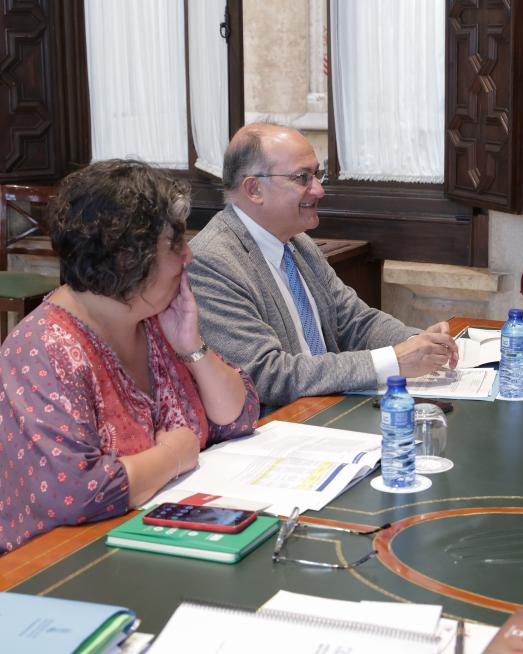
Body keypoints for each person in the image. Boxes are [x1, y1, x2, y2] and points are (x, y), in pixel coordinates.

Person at [0, 160, 259, 553]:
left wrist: (192, 346)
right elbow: (75, 494)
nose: (189, 256)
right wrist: (173, 455)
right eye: (176, 243)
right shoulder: (41, 350)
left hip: (155, 545)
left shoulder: (152, 318)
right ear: (126, 258)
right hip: (67, 563)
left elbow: (239, 415)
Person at [187, 123, 458, 407]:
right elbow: (267, 375)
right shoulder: (211, 262)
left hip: (326, 408)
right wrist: (395, 360)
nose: (319, 189)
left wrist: (420, 342)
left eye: (317, 174)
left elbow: (355, 322)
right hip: (279, 422)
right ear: (254, 189)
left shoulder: (299, 243)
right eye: (302, 177)